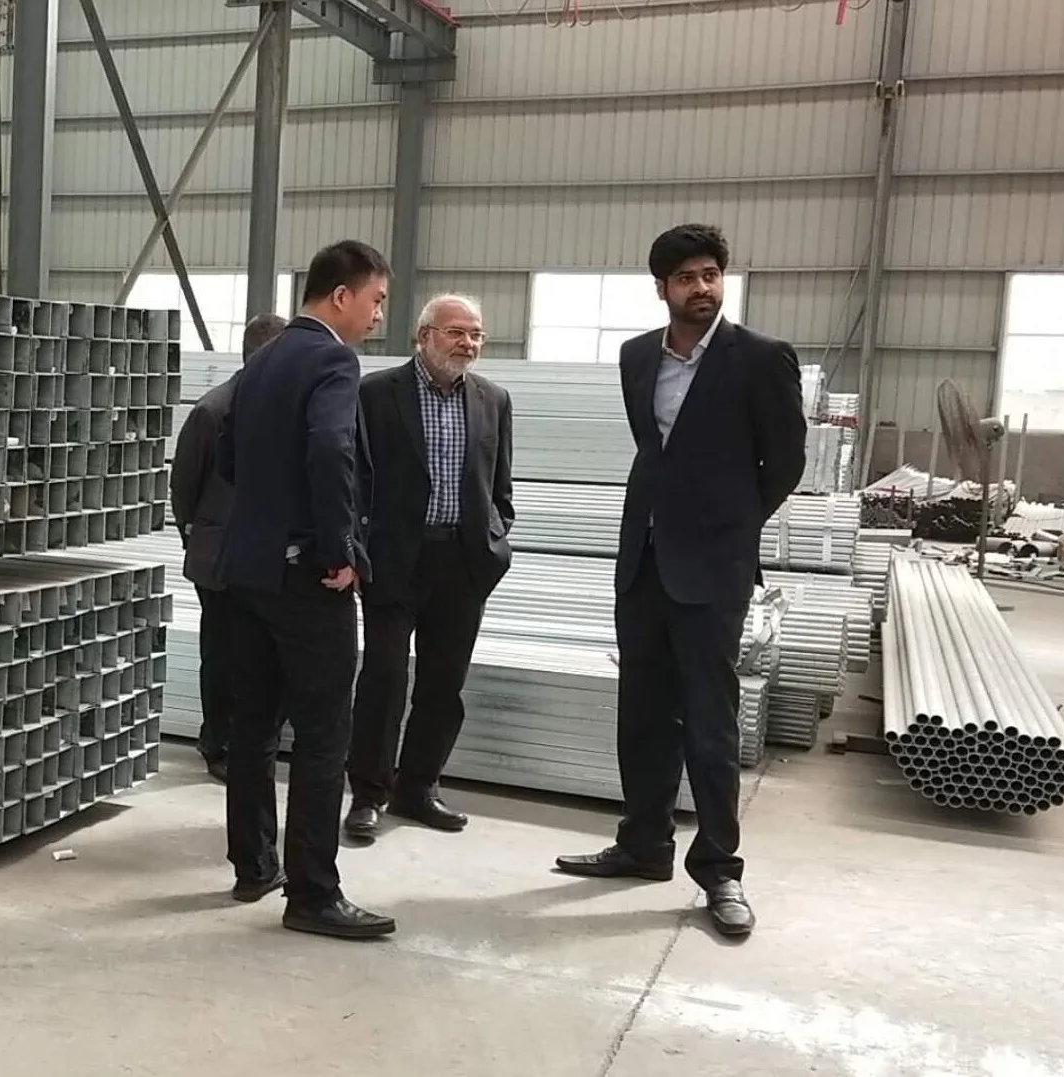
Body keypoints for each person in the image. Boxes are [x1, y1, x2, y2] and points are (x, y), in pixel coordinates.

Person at [555, 224, 807, 939]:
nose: (702, 288)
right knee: (641, 713)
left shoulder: (760, 358)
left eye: (711, 275)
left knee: (709, 721)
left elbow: (784, 463)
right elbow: (653, 450)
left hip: (712, 569)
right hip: (642, 559)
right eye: (687, 277)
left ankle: (719, 868)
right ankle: (643, 843)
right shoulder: (637, 356)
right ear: (661, 288)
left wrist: (729, 527)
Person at [218, 240, 395, 940]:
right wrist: (338, 549)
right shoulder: (332, 359)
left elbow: (229, 459)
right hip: (306, 576)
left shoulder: (262, 360)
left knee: (254, 728)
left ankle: (254, 865)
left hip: (247, 570)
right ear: (342, 295)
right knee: (324, 735)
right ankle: (314, 892)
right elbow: (331, 449)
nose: (377, 315)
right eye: (375, 300)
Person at [343, 294, 514, 840]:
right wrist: (357, 548)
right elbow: (354, 477)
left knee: (444, 685)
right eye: (456, 332)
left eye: (476, 334)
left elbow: (500, 485)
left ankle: (418, 788)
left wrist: (494, 538)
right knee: (384, 679)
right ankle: (368, 793)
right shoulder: (375, 394)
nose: (468, 343)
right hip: (395, 560)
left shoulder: (492, 399)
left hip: (462, 563)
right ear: (424, 336)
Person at [170, 313, 288, 783]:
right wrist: (201, 537)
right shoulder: (213, 411)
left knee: (266, 655)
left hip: (271, 557)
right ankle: (217, 741)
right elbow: (185, 487)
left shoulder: (291, 408)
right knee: (223, 655)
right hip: (220, 560)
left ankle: (255, 740)